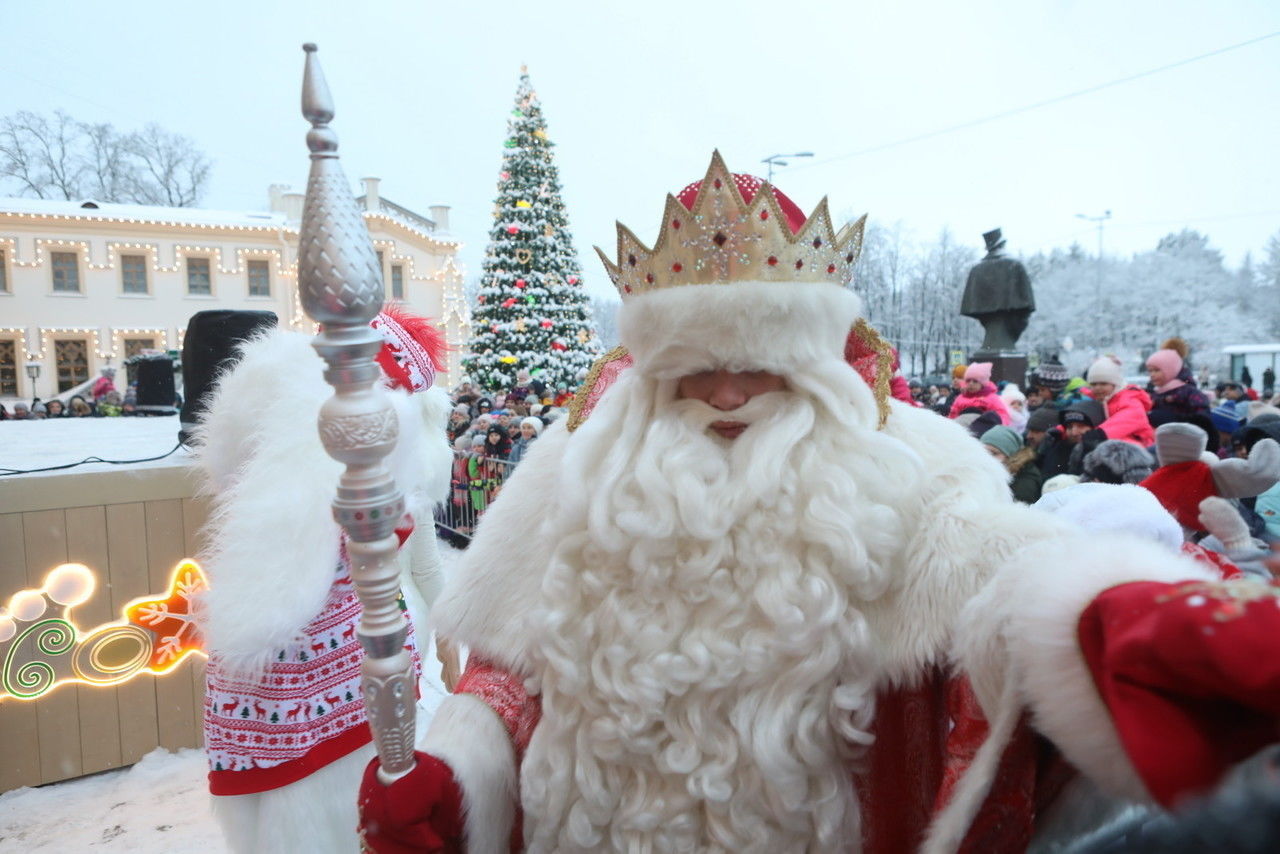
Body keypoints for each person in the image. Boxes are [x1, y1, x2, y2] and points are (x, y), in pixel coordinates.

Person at [358, 154, 1280, 853]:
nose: (726, 396)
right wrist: (453, 772)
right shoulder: (579, 467)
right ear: (650, 370)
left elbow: (1008, 576)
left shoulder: (904, 458)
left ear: (814, 363)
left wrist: (1106, 621)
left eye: (757, 368)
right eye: (695, 372)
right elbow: (506, 681)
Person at [193, 306, 454, 853]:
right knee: (326, 804)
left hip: (314, 665)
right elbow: (276, 580)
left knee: (296, 807)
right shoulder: (329, 437)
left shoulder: (276, 421)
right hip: (331, 666)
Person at [1086, 356, 1154, 447]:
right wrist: (1062, 430)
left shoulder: (1128, 398)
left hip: (1140, 444)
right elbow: (1080, 416)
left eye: (1103, 383)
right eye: (1093, 384)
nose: (1098, 387)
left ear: (1116, 384)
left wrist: (1101, 433)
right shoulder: (1096, 400)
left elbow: (1130, 417)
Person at [979, 425, 1042, 503]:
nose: (987, 457)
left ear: (1010, 455)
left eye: (994, 453)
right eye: (983, 452)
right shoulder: (982, 473)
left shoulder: (1025, 482)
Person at [1145, 348, 1209, 424]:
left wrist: (1174, 419)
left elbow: (1204, 420)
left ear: (1170, 370)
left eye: (1156, 370)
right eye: (1150, 371)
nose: (1152, 375)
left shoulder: (1189, 392)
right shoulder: (1155, 394)